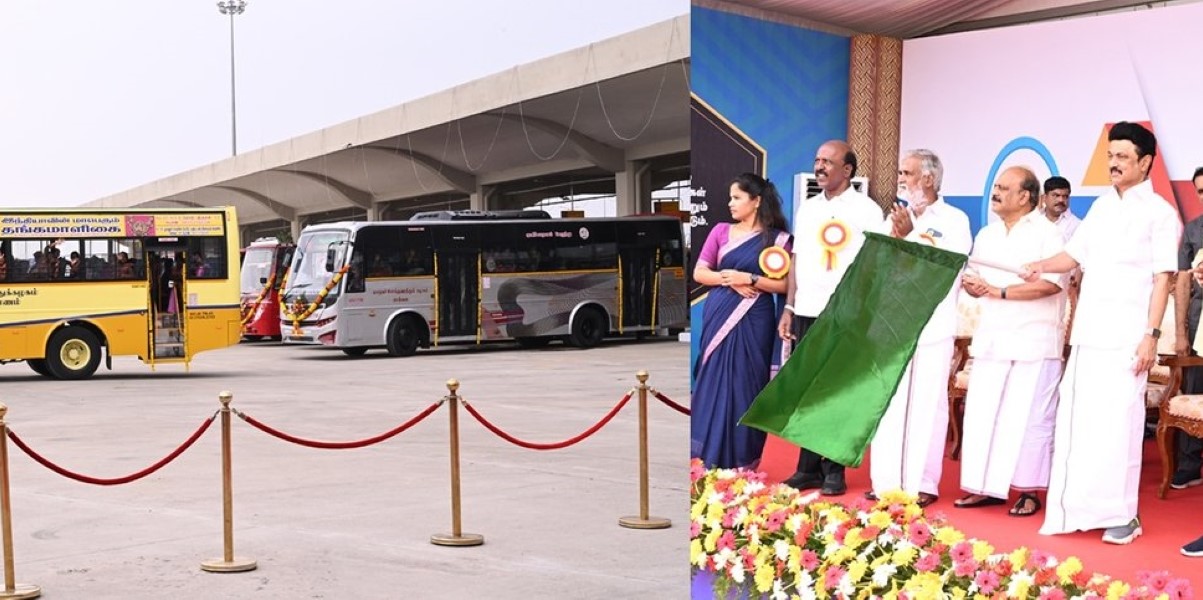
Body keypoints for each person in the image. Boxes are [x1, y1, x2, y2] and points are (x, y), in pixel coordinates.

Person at [1024, 122, 1181, 544]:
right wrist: (1040, 264)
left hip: (1128, 338)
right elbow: (1073, 255)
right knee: (1080, 423)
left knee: (1119, 426)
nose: (1113, 164)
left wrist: (1151, 335)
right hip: (1089, 333)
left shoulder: (1161, 214)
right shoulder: (1101, 207)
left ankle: (1123, 515)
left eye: (1122, 157)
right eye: (1110, 156)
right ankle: (1075, 509)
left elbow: (1163, 279)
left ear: (1145, 162)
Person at [953, 166, 1064, 517]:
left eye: (1003, 188)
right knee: (985, 414)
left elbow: (1052, 284)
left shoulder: (1050, 234)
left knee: (1031, 419)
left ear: (1026, 197)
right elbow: (976, 278)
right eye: (995, 187)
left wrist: (1000, 291)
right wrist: (973, 285)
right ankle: (983, 487)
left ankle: (1028, 491)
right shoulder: (986, 233)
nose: (996, 192)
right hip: (993, 337)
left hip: (1034, 339)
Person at [777, 140, 883, 496]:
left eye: (828, 161)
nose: (820, 167)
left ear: (848, 170)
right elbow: (797, 259)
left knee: (835, 390)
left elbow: (874, 264)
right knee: (809, 390)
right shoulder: (807, 209)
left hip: (846, 314)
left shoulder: (867, 210)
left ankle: (834, 468)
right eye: (817, 160)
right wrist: (790, 307)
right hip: (806, 308)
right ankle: (808, 469)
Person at [867, 149, 972, 507]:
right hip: (893, 323)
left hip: (932, 325)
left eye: (907, 172)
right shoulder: (895, 216)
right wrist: (897, 238)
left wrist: (910, 236)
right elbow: (881, 265)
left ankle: (923, 482)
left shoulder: (954, 220)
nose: (901, 178)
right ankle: (886, 481)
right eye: (901, 172)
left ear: (928, 178)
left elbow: (946, 268)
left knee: (928, 403)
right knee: (890, 400)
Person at [691, 173, 793, 469]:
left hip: (755, 317)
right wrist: (729, 280)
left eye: (737, 197)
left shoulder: (778, 240)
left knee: (746, 384)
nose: (730, 203)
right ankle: (710, 456)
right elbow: (700, 273)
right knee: (715, 381)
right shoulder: (721, 231)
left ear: (756, 201)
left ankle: (743, 460)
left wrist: (749, 278)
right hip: (720, 311)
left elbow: (787, 285)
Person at [1171, 166, 1203, 490]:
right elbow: (1181, 280)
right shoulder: (1193, 230)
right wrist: (1181, 332)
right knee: (1193, 388)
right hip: (1198, 323)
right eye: (1201, 191)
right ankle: (1191, 465)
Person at [1041, 176, 1081, 243]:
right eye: (1056, 195)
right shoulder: (1033, 220)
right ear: (1044, 197)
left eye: (1065, 196)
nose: (1061, 200)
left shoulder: (1077, 225)